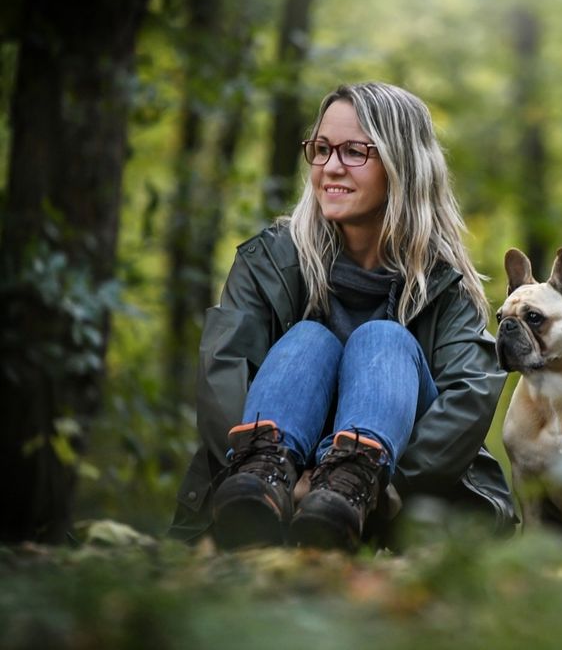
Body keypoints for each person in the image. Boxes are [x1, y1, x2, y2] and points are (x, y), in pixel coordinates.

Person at [168, 82, 515, 551]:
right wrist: (286, 477)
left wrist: (391, 487)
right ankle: (262, 479)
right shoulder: (269, 260)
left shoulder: (445, 283)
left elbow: (468, 397)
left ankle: (347, 488)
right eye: (321, 148)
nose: (331, 167)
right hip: (272, 498)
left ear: (402, 165)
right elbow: (222, 372)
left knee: (382, 340)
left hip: (391, 503)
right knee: (309, 339)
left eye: (354, 151)